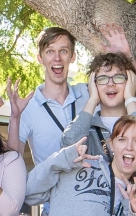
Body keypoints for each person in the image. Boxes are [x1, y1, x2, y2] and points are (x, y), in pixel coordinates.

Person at [56, 50, 136, 152]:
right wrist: (92, 100)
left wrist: (130, 98)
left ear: (131, 84)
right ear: (93, 86)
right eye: (102, 79)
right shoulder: (85, 128)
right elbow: (68, 144)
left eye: (118, 77)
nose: (110, 84)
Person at [13, 27, 87, 163]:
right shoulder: (27, 107)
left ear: (73, 57)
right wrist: (14, 117)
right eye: (50, 51)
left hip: (91, 182)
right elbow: (12, 159)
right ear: (40, 58)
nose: (57, 58)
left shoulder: (88, 93)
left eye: (63, 51)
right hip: (50, 184)